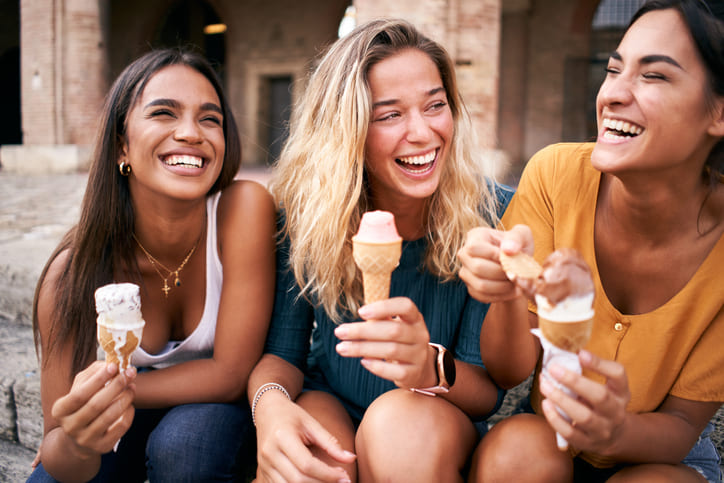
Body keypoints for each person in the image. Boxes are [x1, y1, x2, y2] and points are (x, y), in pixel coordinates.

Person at [457, 0, 724, 481]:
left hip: (660, 456)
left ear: (719, 112)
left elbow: (683, 424)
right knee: (517, 453)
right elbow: (508, 371)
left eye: (655, 76)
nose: (613, 94)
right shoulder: (555, 174)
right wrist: (510, 293)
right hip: (545, 434)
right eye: (613, 69)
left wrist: (616, 432)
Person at [247, 18, 514, 483]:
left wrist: (426, 364)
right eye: (389, 115)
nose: (422, 133)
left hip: (436, 413)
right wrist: (269, 406)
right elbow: (282, 353)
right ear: (347, 131)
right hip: (331, 398)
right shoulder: (306, 216)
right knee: (305, 468)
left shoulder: (492, 214)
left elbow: (487, 393)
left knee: (398, 428)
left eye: (435, 106)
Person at [28, 48, 276, 482]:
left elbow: (231, 374)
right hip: (122, 424)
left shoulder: (244, 209)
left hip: (213, 418)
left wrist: (115, 392)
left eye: (210, 118)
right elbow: (58, 444)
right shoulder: (69, 278)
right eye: (164, 113)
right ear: (121, 144)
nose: (191, 133)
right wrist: (79, 437)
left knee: (187, 446)